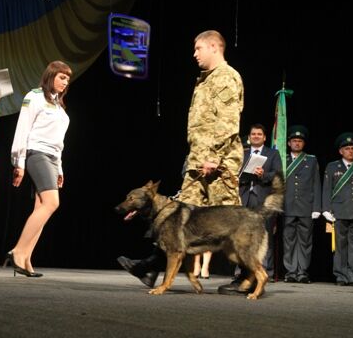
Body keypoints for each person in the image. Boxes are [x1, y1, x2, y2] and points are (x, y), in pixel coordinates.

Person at [118, 30, 244, 287]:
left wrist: (215, 158)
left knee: (232, 219)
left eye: (198, 48)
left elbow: (228, 122)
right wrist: (196, 158)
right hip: (198, 162)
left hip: (217, 166)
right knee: (174, 218)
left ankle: (248, 277)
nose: (194, 54)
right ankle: (150, 267)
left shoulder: (227, 77)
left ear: (213, 47)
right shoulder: (205, 80)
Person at [3, 61, 72, 277]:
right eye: (62, 77)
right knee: (52, 203)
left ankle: (25, 259)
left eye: (67, 79)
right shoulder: (34, 96)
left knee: (40, 208)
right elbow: (22, 129)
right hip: (36, 153)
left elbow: (58, 141)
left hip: (52, 157)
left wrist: (59, 168)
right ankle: (17, 251)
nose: (65, 82)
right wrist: (19, 163)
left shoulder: (59, 105)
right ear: (51, 76)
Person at [219, 123, 282, 294]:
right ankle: (241, 275)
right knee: (239, 239)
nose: (255, 136)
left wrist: (263, 175)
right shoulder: (242, 152)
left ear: (264, 137)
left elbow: (277, 175)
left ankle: (261, 275)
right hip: (243, 199)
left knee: (262, 238)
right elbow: (232, 173)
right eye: (253, 134)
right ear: (249, 136)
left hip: (261, 200)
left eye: (259, 134)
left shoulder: (272, 153)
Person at [322, 132, 353, 287]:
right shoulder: (332, 167)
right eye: (347, 148)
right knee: (340, 247)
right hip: (339, 212)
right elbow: (327, 189)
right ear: (340, 151)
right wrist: (326, 209)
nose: (351, 151)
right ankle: (341, 276)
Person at [282, 125, 321, 284]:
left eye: (300, 141)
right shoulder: (283, 160)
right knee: (288, 240)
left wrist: (317, 208)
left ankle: (302, 271)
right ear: (289, 143)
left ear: (303, 144)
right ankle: (291, 271)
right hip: (288, 206)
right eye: (294, 141)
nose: (297, 143)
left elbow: (316, 184)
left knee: (305, 241)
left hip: (306, 206)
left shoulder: (311, 160)